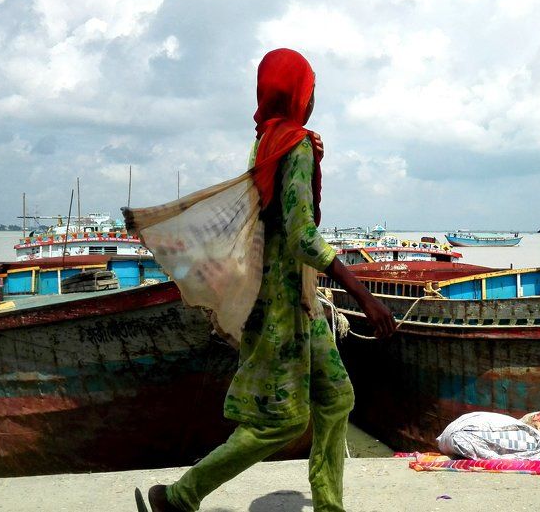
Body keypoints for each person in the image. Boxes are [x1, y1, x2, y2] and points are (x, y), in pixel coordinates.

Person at [137, 48, 395, 512]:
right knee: (281, 422)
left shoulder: (266, 142)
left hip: (301, 299)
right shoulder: (291, 144)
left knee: (336, 399)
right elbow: (301, 236)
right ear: (296, 93)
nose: (313, 97)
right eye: (310, 89)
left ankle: (329, 506)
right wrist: (364, 295)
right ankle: (180, 496)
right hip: (282, 307)